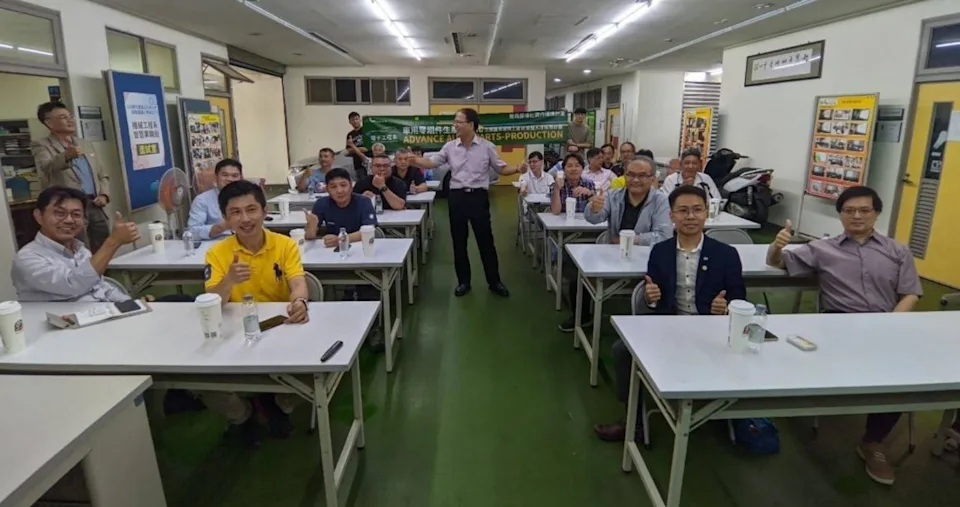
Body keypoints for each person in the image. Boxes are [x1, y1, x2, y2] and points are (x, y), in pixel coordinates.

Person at [765, 185, 922, 486]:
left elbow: (910, 293)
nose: (857, 216)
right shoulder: (822, 248)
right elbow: (777, 262)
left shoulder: (898, 251)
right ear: (840, 215)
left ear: (876, 213)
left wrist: (890, 326)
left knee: (905, 375)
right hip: (837, 325)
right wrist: (777, 246)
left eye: (864, 210)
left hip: (886, 323)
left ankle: (873, 442)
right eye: (849, 211)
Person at [594, 185, 746, 441]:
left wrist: (727, 308)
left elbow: (739, 298)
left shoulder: (726, 254)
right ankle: (634, 419)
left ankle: (734, 413)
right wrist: (650, 298)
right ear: (671, 215)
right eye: (683, 211)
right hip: (668, 325)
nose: (690, 216)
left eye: (697, 210)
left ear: (706, 213)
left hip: (711, 329)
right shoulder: (660, 251)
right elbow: (654, 295)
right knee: (622, 350)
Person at [204, 180, 310, 445]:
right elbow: (213, 303)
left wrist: (300, 302)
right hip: (235, 332)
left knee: (312, 368)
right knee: (201, 381)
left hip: (280, 328)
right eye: (235, 212)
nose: (245, 219)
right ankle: (243, 415)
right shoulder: (217, 253)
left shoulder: (284, 245)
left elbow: (298, 282)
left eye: (251, 210)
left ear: (264, 211)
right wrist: (229, 280)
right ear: (226, 218)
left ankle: (279, 404)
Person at [409, 108, 523, 298]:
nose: (454, 125)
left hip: (478, 198)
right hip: (457, 198)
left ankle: (494, 282)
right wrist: (414, 161)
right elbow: (433, 162)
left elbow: (501, 168)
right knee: (459, 241)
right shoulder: (449, 147)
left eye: (458, 121)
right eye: (454, 121)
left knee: (486, 241)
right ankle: (463, 282)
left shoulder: (487, 147)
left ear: (470, 125)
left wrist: (517, 168)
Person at [557, 157, 672, 332]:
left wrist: (633, 239)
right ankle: (582, 317)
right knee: (578, 272)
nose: (635, 180)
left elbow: (664, 236)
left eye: (642, 176)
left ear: (652, 178)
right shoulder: (614, 195)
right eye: (630, 174)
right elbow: (594, 219)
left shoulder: (660, 200)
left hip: (647, 259)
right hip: (612, 254)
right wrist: (593, 208)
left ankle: (650, 324)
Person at [11, 186, 140, 302]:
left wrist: (134, 305)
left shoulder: (82, 251)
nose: (69, 220)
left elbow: (101, 288)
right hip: (61, 320)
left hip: (100, 315)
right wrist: (113, 242)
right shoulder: (27, 258)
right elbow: (73, 284)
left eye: (76, 214)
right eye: (60, 213)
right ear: (39, 216)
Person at [304, 168, 384, 351]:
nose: (339, 190)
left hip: (363, 254)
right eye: (333, 187)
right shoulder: (322, 204)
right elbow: (309, 237)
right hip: (333, 258)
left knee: (369, 284)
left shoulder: (363, 202)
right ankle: (333, 327)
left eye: (343, 185)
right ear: (327, 189)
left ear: (351, 186)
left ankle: (374, 328)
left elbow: (369, 230)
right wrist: (312, 225)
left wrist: (342, 238)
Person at [32, 101, 111, 253]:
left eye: (70, 116)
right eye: (63, 117)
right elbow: (46, 167)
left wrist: (104, 195)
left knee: (105, 246)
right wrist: (66, 156)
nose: (70, 120)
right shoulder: (41, 145)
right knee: (80, 249)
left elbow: (102, 174)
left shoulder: (84, 144)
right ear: (49, 123)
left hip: (95, 204)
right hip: (70, 209)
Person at [188, 158, 243, 240]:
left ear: (240, 178)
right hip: (216, 244)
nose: (230, 179)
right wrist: (222, 227)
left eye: (234, 176)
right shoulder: (202, 200)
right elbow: (192, 232)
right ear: (216, 177)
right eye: (225, 175)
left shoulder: (247, 197)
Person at [346, 112, 368, 179]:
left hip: (369, 161)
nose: (355, 121)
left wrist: (354, 148)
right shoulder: (350, 134)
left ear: (360, 120)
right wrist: (361, 149)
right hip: (358, 164)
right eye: (353, 120)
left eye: (356, 119)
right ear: (350, 122)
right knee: (362, 182)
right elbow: (348, 150)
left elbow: (368, 148)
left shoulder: (366, 130)